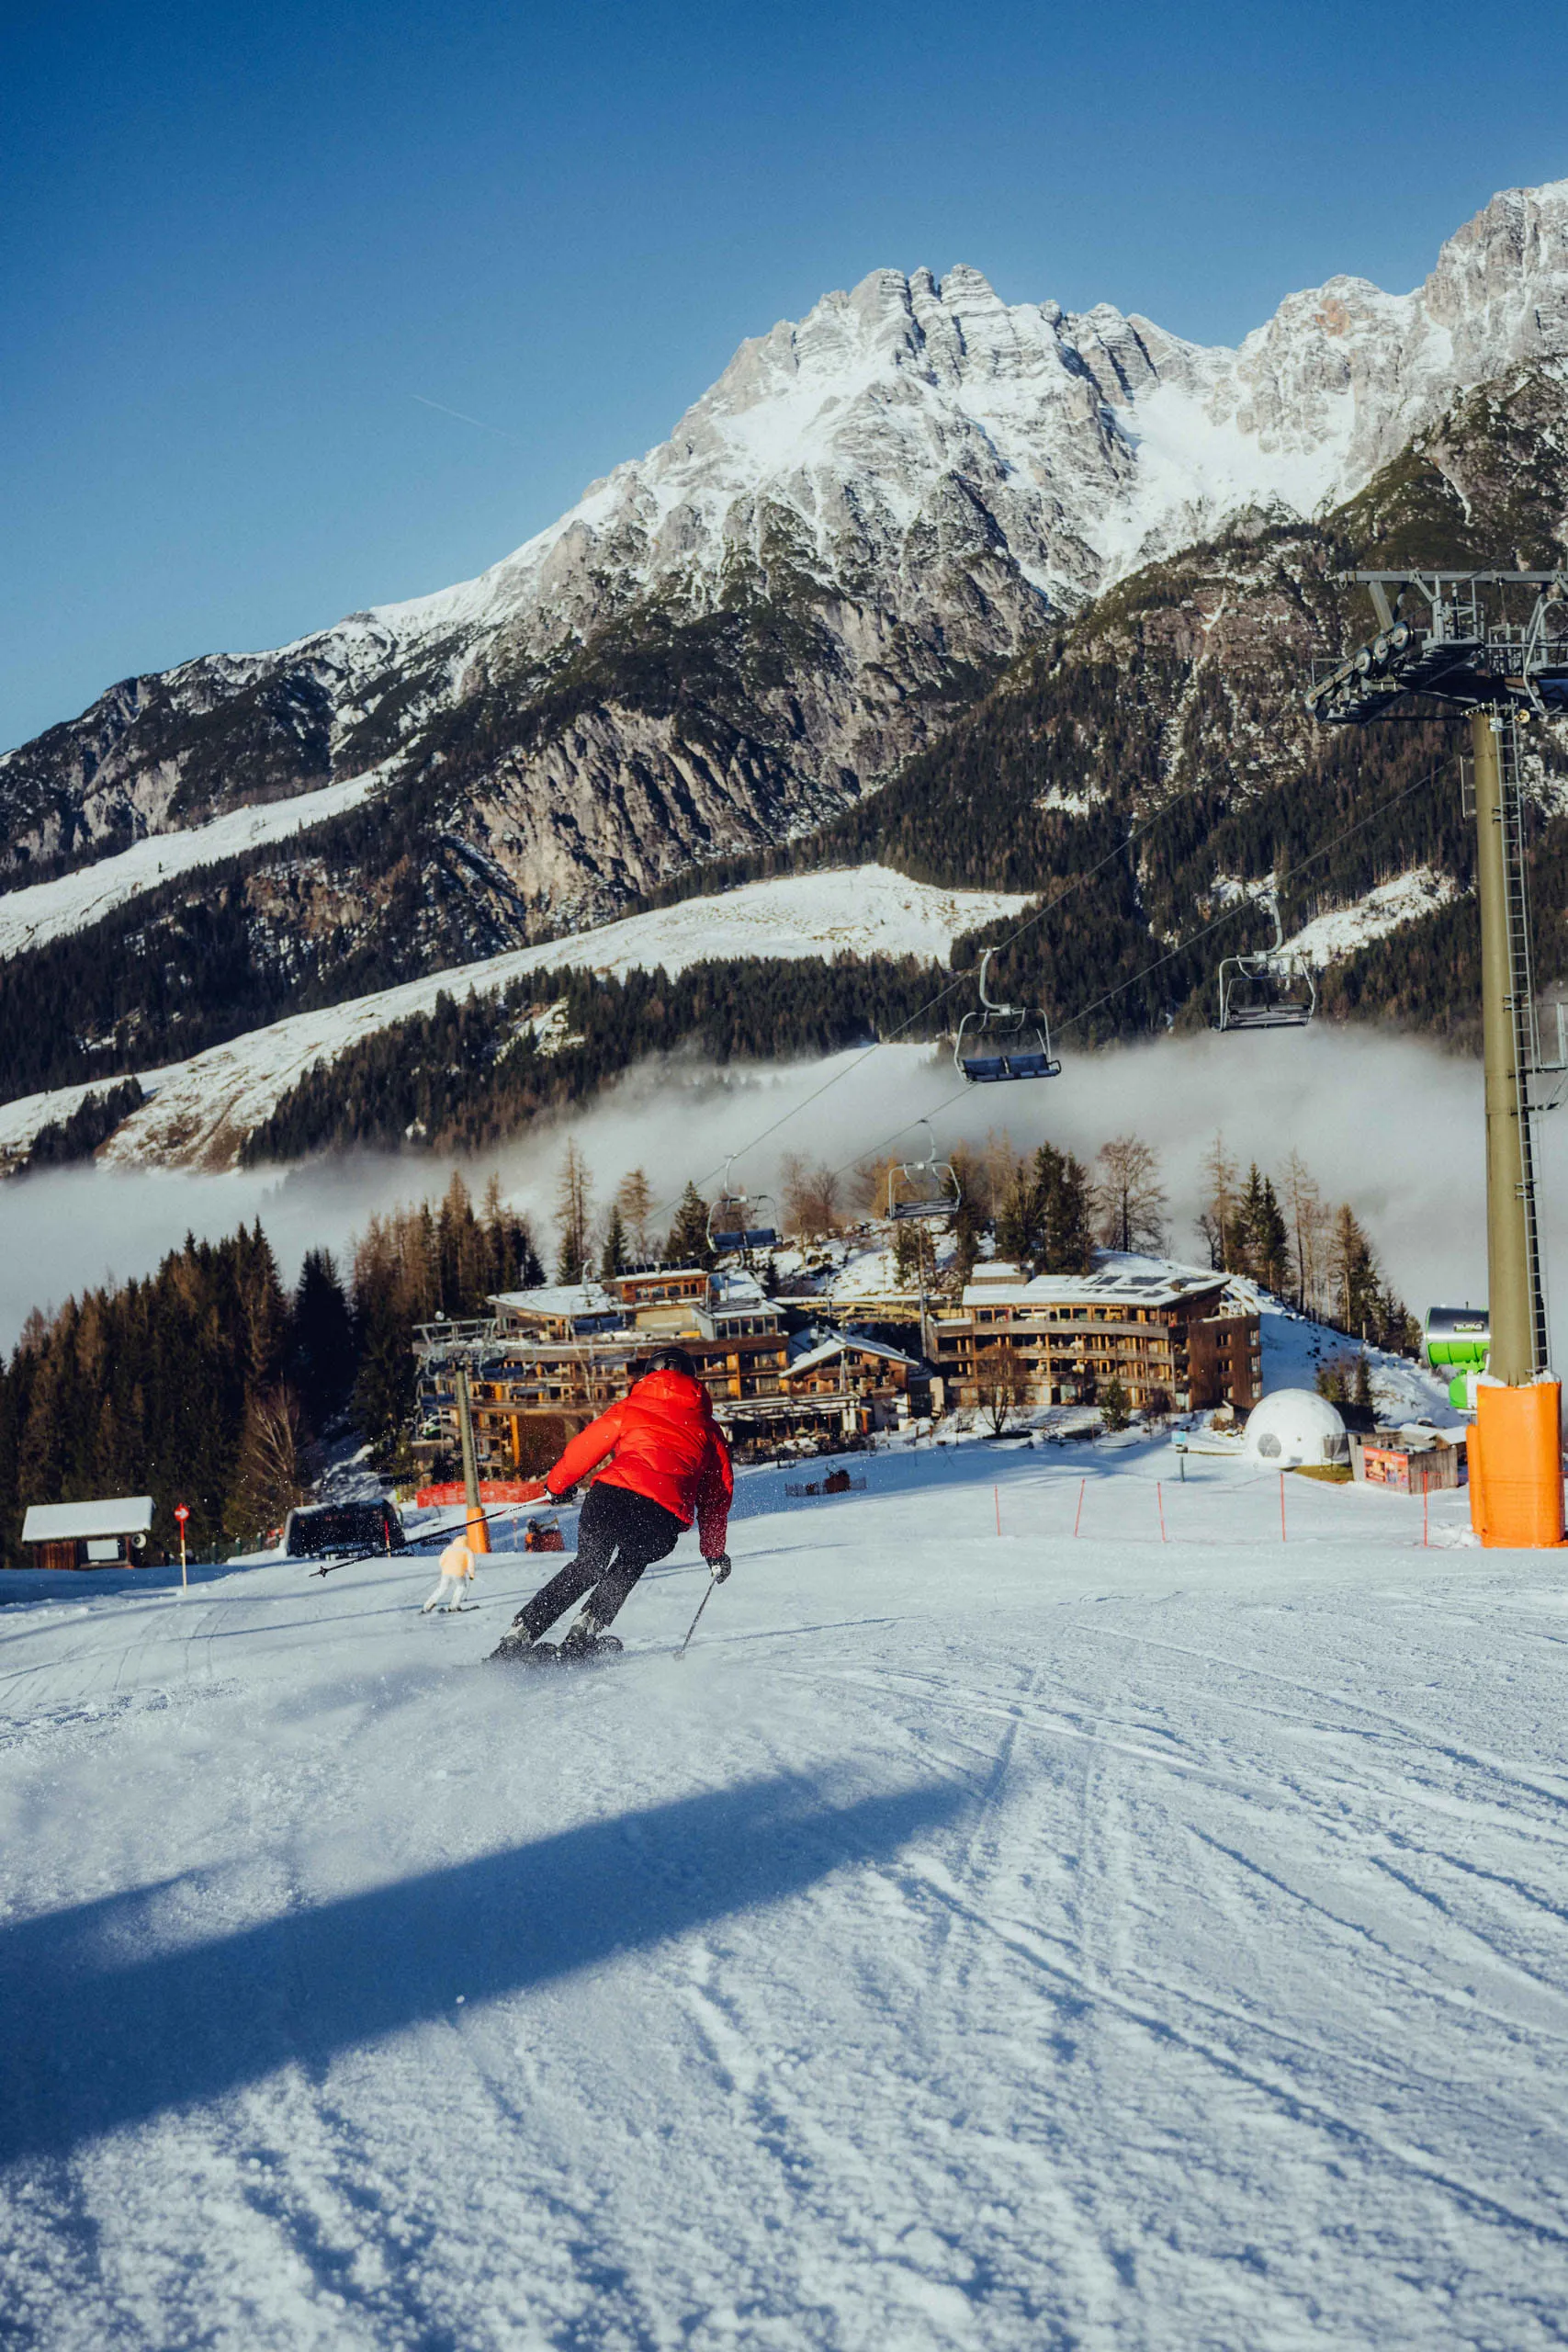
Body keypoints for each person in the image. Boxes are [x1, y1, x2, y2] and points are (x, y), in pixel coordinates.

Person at [493, 1346, 732, 1662]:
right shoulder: (709, 1430)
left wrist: (557, 1486)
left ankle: (520, 1634)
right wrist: (714, 1551)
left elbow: (586, 1447)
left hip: (611, 1497)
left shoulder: (630, 1407)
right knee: (632, 1559)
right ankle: (585, 1630)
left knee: (589, 1564)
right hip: (663, 1513)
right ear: (694, 1380)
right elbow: (716, 1498)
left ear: (649, 1376)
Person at [422, 1531, 478, 1613]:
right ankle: (454, 1606)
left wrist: (445, 1568)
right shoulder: (467, 1550)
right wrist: (471, 1575)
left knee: (442, 1588)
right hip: (458, 1573)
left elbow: (441, 1560)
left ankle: (428, 1606)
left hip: (446, 1572)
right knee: (461, 1586)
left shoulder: (449, 1548)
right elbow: (471, 1564)